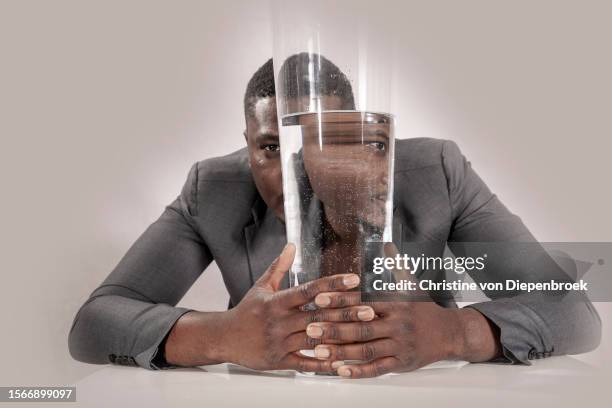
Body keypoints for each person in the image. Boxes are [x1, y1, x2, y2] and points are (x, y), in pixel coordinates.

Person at [68, 54, 601, 379]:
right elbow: (95, 322)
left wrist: (456, 332)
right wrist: (222, 337)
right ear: (246, 146)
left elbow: (574, 313)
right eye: (271, 147)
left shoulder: (433, 171)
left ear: (352, 136)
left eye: (318, 140)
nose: (295, 169)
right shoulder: (213, 187)